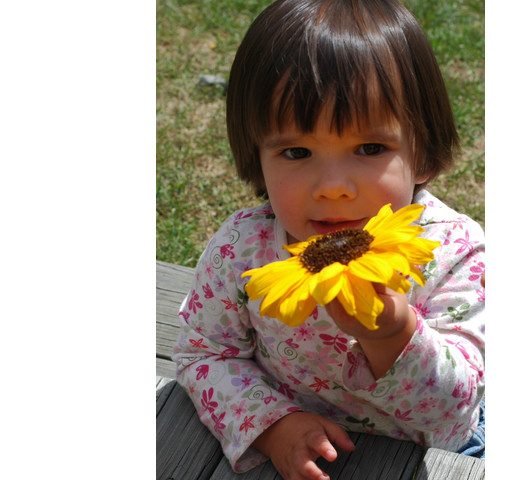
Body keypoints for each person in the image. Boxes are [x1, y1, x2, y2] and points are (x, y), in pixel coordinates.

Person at [172, 1, 485, 478]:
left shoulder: (453, 252)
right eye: (297, 151)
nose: (333, 185)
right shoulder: (244, 249)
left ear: (422, 154)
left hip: (433, 456)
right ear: (257, 160)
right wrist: (273, 425)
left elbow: (452, 410)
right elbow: (204, 353)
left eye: (370, 148)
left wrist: (394, 335)